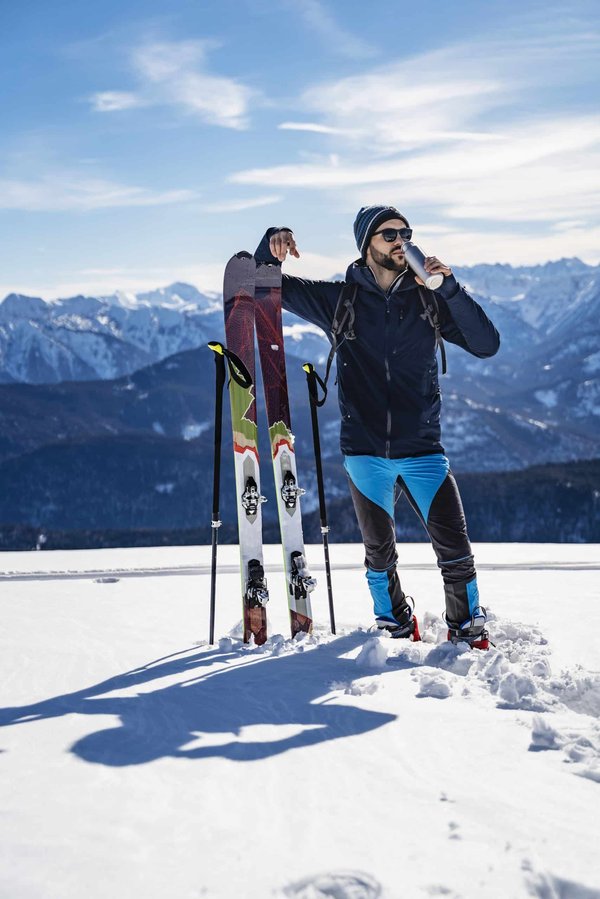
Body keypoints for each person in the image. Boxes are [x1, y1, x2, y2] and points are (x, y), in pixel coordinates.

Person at [254, 206, 500, 649]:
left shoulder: (429, 299)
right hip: (365, 451)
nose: (401, 241)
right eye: (390, 234)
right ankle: (394, 623)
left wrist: (450, 289)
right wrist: (270, 246)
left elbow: (487, 344)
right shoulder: (340, 301)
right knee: (379, 557)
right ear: (367, 243)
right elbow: (263, 286)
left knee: (456, 553)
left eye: (406, 233)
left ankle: (467, 627)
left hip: (424, 449)